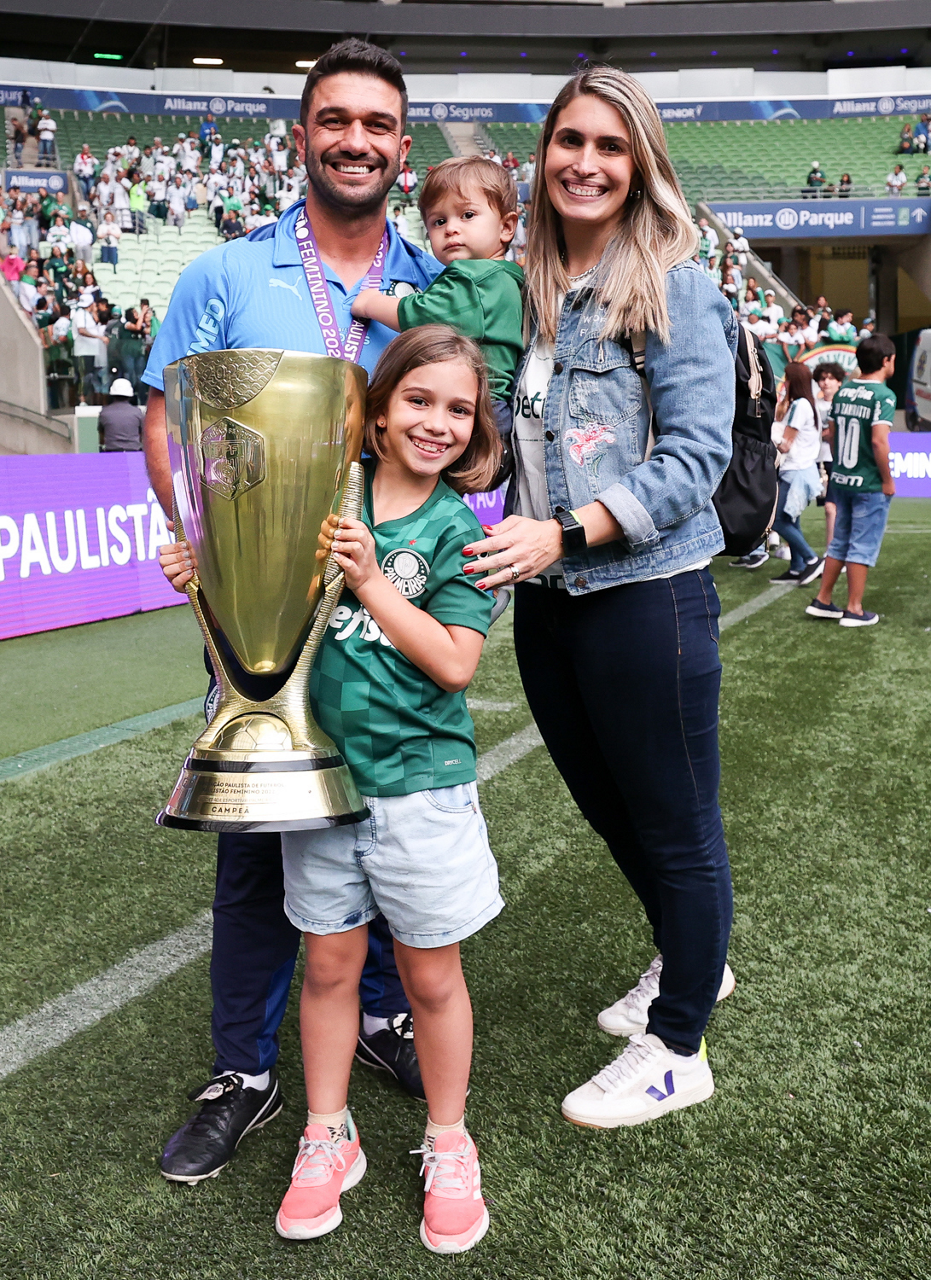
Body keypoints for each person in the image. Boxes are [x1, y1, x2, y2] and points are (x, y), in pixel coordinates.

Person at [142, 37, 445, 1186]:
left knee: (390, 807)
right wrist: (205, 554)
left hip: (387, 596)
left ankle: (381, 1013)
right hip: (260, 599)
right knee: (258, 832)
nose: (355, 141)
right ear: (302, 135)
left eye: (376, 125)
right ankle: (244, 1069)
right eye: (335, 120)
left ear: (401, 146)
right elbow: (168, 417)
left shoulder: (435, 282)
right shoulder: (225, 274)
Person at [161, 326, 501, 1254]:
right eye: (418, 401)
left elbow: (454, 663)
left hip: (421, 792)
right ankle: (326, 1133)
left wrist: (372, 583)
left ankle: (448, 1139)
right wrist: (205, 583)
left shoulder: (456, 533)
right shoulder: (317, 499)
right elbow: (263, 637)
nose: (436, 423)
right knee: (327, 968)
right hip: (321, 790)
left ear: (475, 428)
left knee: (430, 977)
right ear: (375, 411)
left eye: (458, 409)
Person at [468, 64, 737, 1129]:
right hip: (549, 599)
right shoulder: (526, 289)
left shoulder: (675, 285)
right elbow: (517, 446)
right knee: (609, 805)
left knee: (676, 824)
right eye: (569, 141)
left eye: (610, 146)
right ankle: (691, 954)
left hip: (644, 595)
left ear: (641, 164)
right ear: (542, 154)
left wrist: (569, 528)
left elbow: (695, 458)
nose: (584, 162)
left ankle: (677, 1047)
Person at [352, 155, 523, 476]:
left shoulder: (473, 277)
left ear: (506, 227)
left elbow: (422, 315)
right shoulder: (507, 277)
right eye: (438, 221)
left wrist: (370, 303)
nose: (451, 229)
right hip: (497, 412)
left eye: (467, 215)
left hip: (480, 410)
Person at [806, 334, 897, 627]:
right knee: (861, 545)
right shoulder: (884, 396)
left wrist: (840, 469)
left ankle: (823, 599)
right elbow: (879, 442)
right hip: (868, 483)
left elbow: (832, 435)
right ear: (886, 361)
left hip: (842, 478)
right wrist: (887, 480)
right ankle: (854, 609)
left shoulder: (844, 392)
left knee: (839, 541)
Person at [769, 362, 824, 586]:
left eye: (787, 379)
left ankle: (811, 559)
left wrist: (769, 434)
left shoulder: (801, 406)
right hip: (799, 470)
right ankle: (797, 567)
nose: (784, 383)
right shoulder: (805, 404)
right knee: (791, 520)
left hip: (796, 471)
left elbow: (785, 445)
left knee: (777, 521)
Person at [812, 360, 846, 548]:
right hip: (813, 460)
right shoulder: (813, 405)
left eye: (831, 378)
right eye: (823, 378)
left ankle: (831, 549)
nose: (826, 382)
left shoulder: (844, 406)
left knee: (831, 507)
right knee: (794, 506)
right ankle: (789, 545)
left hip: (835, 460)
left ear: (839, 381)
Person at [97, 377, 143, 451]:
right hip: (133, 452)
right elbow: (142, 435)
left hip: (111, 453)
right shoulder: (137, 412)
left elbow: (101, 438)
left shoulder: (104, 412)